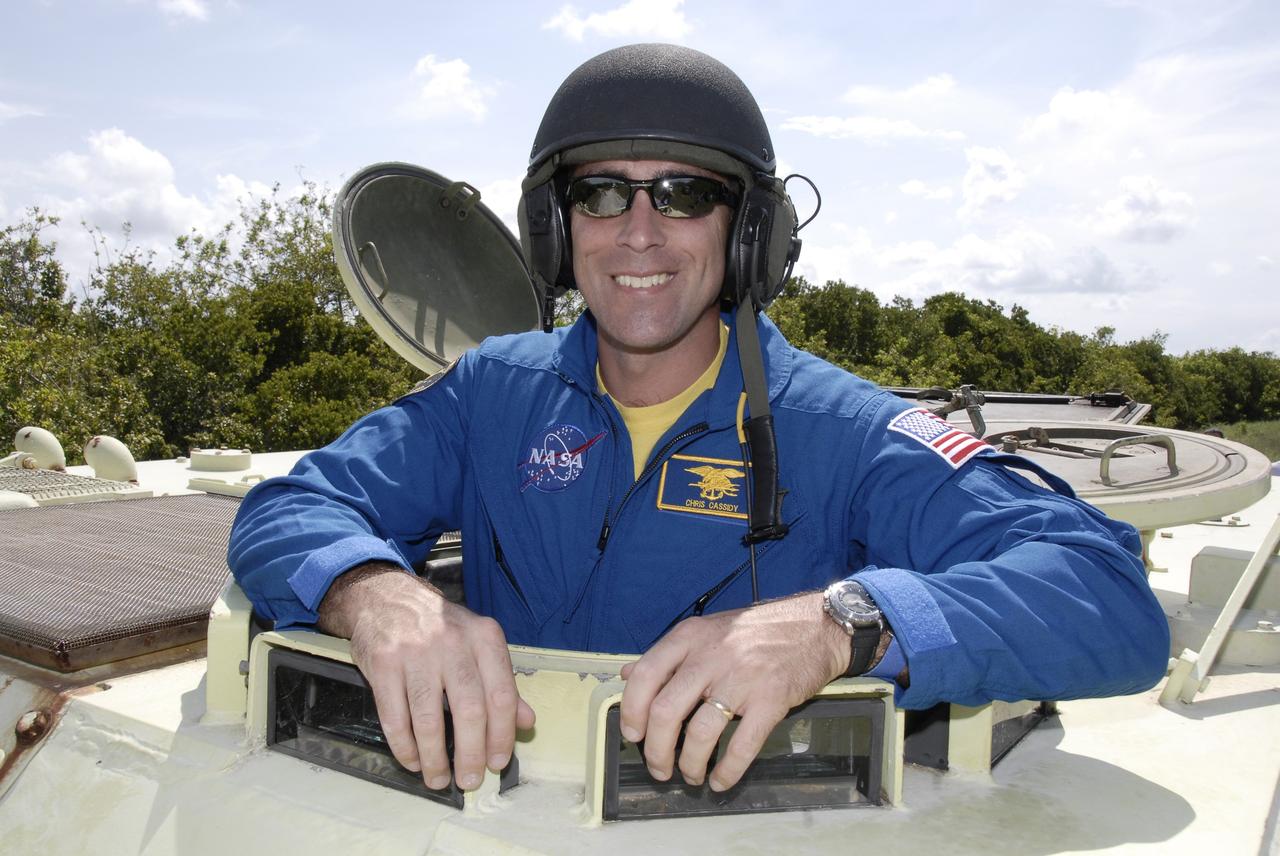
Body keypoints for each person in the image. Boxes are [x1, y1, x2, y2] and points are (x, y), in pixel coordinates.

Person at [228, 43, 1169, 797]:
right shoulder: (491, 393)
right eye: (601, 193)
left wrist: (847, 622)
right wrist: (375, 593)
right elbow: (285, 511)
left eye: (685, 194)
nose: (640, 232)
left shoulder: (847, 431)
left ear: (749, 234)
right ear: (557, 232)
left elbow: (1105, 591)